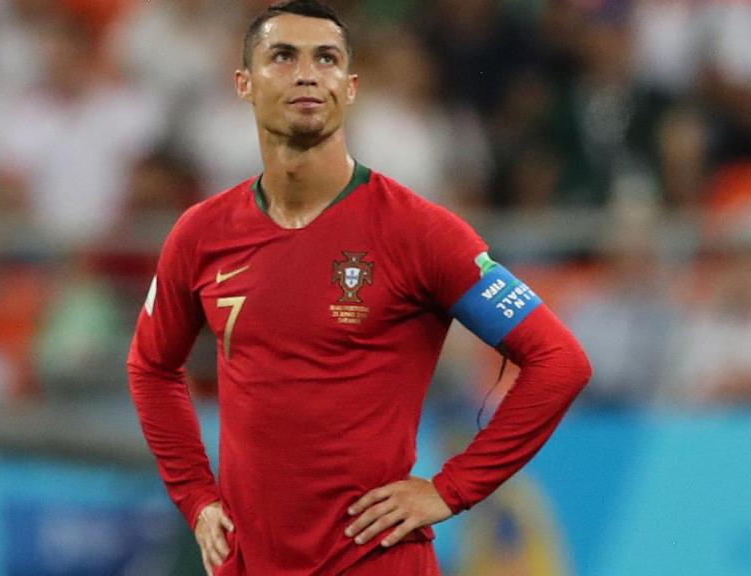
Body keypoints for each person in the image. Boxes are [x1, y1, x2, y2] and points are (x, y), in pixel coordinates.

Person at [126, 2, 591, 574]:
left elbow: (559, 361)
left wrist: (452, 488)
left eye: (326, 58)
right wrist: (197, 498)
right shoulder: (202, 234)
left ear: (349, 88)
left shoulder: (419, 232)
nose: (306, 74)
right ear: (244, 83)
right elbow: (151, 366)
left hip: (373, 562)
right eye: (283, 56)